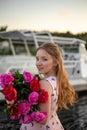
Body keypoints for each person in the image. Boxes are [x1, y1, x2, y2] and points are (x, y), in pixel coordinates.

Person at [20, 42, 77, 130]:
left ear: (55, 62)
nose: (38, 63)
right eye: (37, 59)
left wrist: (19, 106)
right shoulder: (56, 80)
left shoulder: (44, 84)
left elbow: (43, 119)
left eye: (44, 59)